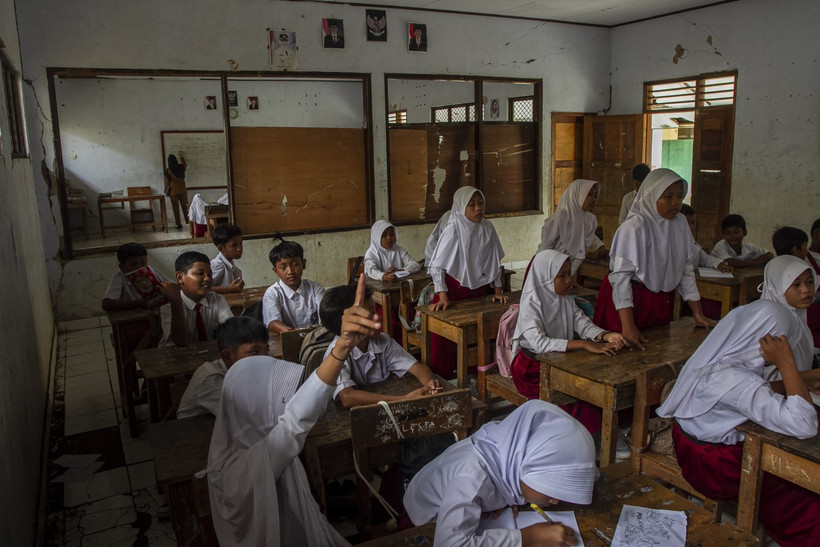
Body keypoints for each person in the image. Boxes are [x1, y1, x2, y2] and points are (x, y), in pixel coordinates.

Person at [202, 274, 381, 546]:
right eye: (273, 397)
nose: (283, 403)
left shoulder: (231, 449)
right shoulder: (250, 463)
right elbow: (296, 419)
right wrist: (342, 347)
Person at [657, 300, 820, 547]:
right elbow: (805, 424)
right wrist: (786, 364)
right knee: (801, 487)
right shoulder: (738, 380)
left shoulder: (721, 355)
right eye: (780, 341)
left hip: (690, 450)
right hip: (716, 469)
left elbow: (751, 392)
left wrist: (803, 379)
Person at [403, 400, 597, 547]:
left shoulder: (507, 451)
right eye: (551, 487)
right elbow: (449, 543)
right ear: (525, 467)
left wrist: (504, 498)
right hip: (425, 523)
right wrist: (528, 538)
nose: (556, 501)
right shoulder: (472, 475)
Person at [592, 168, 713, 350]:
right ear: (651, 196)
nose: (676, 202)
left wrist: (698, 312)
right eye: (668, 196)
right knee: (621, 356)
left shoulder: (680, 223)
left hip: (660, 300)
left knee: (655, 351)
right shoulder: (634, 227)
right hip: (628, 302)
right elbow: (620, 279)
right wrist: (628, 325)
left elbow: (685, 269)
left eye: (680, 196)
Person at [511, 250, 626, 403]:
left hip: (560, 361)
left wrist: (605, 335)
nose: (568, 280)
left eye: (569, 274)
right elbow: (539, 343)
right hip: (532, 368)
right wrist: (584, 344)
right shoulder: (531, 305)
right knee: (577, 399)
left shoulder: (565, 299)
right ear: (546, 278)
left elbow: (583, 325)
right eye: (562, 276)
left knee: (592, 390)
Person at [426, 186, 508, 377]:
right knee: (445, 340)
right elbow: (437, 266)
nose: (478, 208)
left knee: (476, 337)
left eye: (481, 204)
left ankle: (473, 377)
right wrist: (442, 295)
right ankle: (444, 381)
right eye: (471, 205)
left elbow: (494, 260)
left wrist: (497, 291)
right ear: (461, 206)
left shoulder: (487, 227)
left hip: (478, 291)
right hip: (453, 291)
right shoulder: (453, 229)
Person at [319, 284, 441, 407]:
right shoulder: (335, 354)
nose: (379, 317)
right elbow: (347, 397)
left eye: (375, 310)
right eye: (370, 313)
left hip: (380, 407)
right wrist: (403, 399)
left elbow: (417, 367)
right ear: (350, 323)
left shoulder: (382, 341)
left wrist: (429, 384)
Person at [176, 316, 269, 419]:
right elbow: (245, 415)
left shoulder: (247, 371)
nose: (265, 358)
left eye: (266, 350)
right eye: (254, 351)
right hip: (192, 432)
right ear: (228, 357)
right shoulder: (211, 378)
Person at [160, 251, 233, 347]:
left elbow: (232, 330)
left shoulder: (217, 300)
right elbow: (179, 341)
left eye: (210, 274)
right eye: (200, 273)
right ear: (180, 277)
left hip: (208, 354)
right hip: (175, 357)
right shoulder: (169, 304)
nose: (207, 279)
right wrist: (176, 301)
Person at [537, 179, 607, 276]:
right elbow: (544, 251)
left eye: (595, 195)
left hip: (567, 272)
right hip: (546, 268)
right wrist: (551, 277)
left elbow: (580, 254)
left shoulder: (590, 220)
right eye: (589, 194)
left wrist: (567, 277)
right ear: (576, 195)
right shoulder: (559, 219)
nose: (593, 199)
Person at [759, 255, 818, 359]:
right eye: (796, 285)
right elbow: (777, 374)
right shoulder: (774, 324)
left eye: (810, 282)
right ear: (777, 288)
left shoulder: (797, 314)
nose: (806, 290)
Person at [262, 238, 325, 333]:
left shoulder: (315, 289)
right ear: (275, 271)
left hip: (315, 338)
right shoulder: (273, 293)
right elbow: (273, 322)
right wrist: (294, 334)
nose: (290, 271)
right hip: (286, 339)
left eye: (295, 264)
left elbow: (326, 316)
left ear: (303, 264)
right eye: (283, 267)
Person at [101, 242, 168, 311]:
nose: (140, 267)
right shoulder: (120, 278)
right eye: (133, 264)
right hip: (135, 318)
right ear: (122, 267)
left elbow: (173, 288)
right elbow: (106, 304)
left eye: (143, 262)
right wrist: (139, 304)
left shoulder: (154, 272)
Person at [680, 204, 732, 272]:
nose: (690, 227)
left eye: (692, 223)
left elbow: (705, 259)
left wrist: (719, 264)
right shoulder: (667, 244)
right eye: (686, 223)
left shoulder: (693, 244)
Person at [210, 223, 245, 294]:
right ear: (221, 248)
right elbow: (204, 288)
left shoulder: (230, 265)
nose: (239, 249)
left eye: (240, 243)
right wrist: (228, 289)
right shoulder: (218, 265)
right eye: (234, 245)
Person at [164, 152, 189, 229]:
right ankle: (189, 221)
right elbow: (185, 164)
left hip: (173, 192)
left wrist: (165, 190)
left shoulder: (168, 171)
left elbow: (166, 182)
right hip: (182, 191)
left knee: (175, 208)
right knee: (186, 206)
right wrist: (181, 157)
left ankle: (178, 224)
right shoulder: (181, 167)